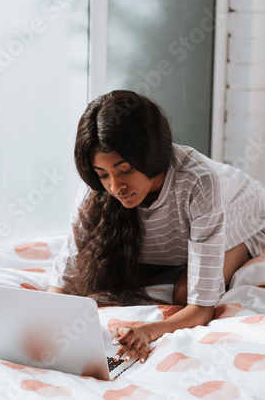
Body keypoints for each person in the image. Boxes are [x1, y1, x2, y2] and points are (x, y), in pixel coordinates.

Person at [47, 90, 265, 364]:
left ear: (149, 155)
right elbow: (65, 274)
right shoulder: (97, 187)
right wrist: (43, 319)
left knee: (184, 294)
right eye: (103, 174)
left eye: (125, 170)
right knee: (100, 277)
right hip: (185, 226)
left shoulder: (199, 183)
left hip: (240, 206)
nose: (115, 187)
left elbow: (201, 309)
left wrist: (148, 331)